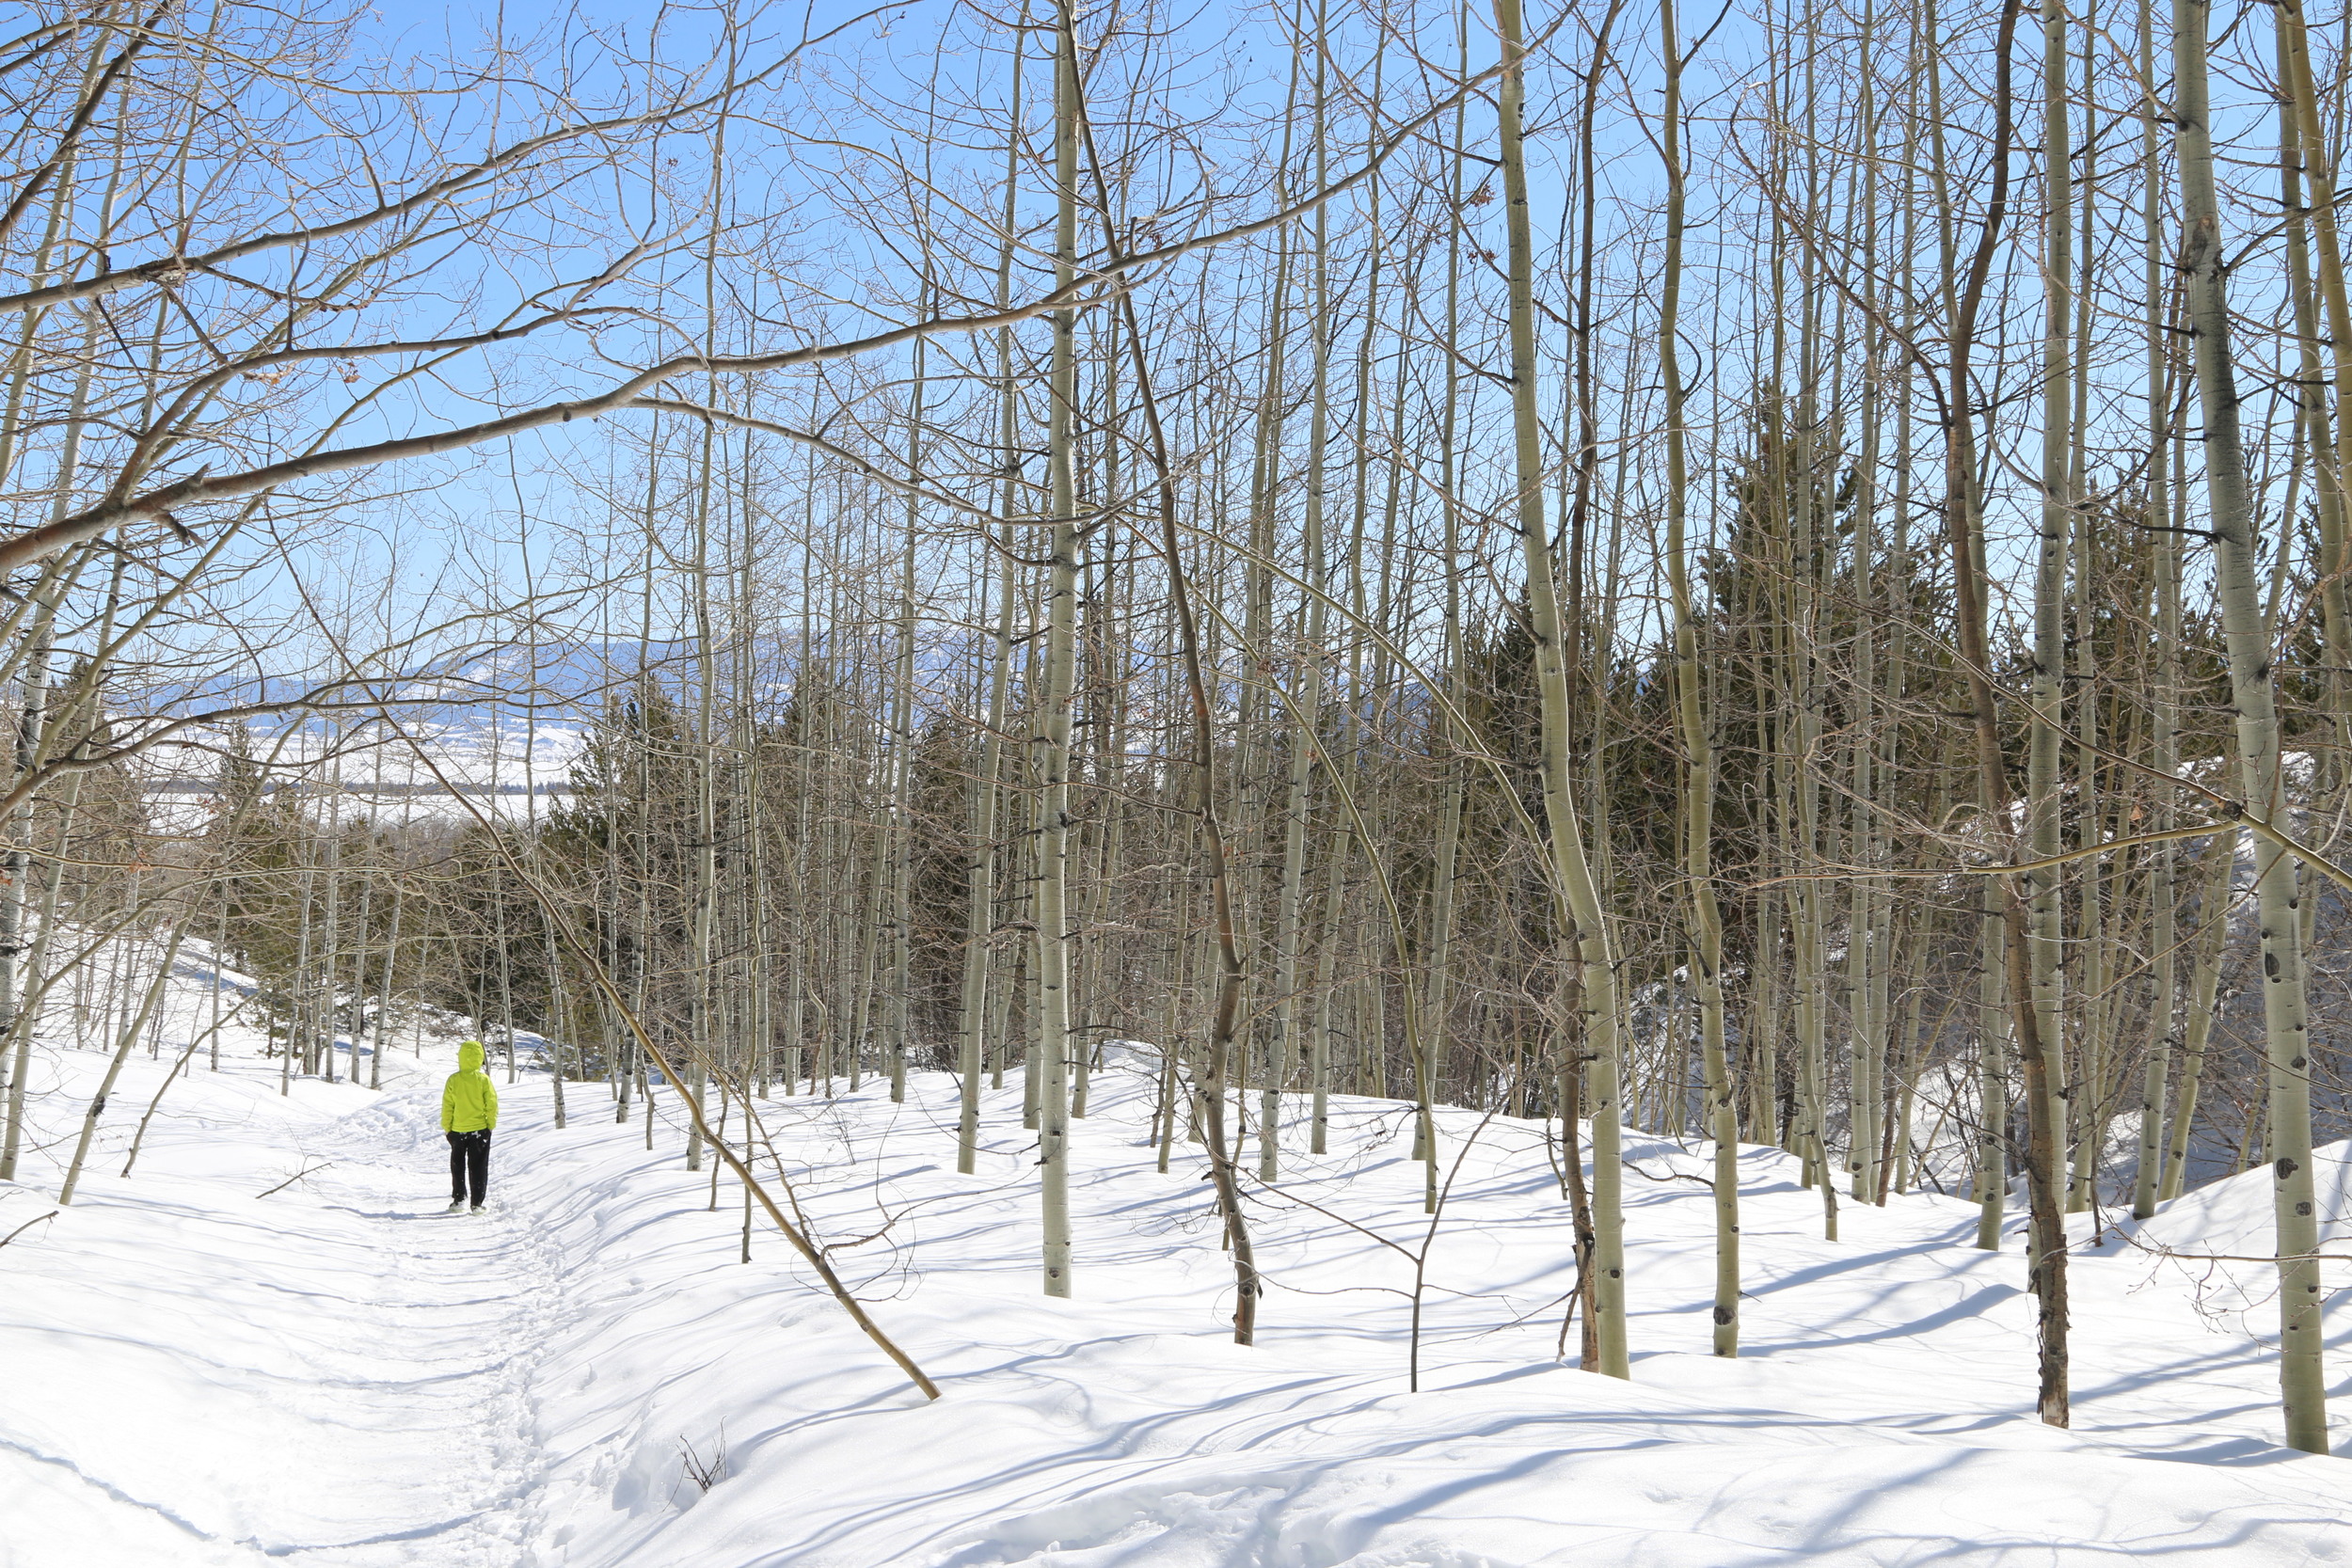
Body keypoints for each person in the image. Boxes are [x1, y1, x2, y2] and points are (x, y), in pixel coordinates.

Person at [441, 1039, 499, 1213]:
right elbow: (492, 1104)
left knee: (457, 1166)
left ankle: (459, 1200)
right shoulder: (483, 1080)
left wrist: (447, 1127)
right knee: (479, 1167)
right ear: (480, 1057)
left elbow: (447, 1105)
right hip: (479, 1130)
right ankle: (477, 1204)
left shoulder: (453, 1080)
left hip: (458, 1130)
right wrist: (490, 1125)